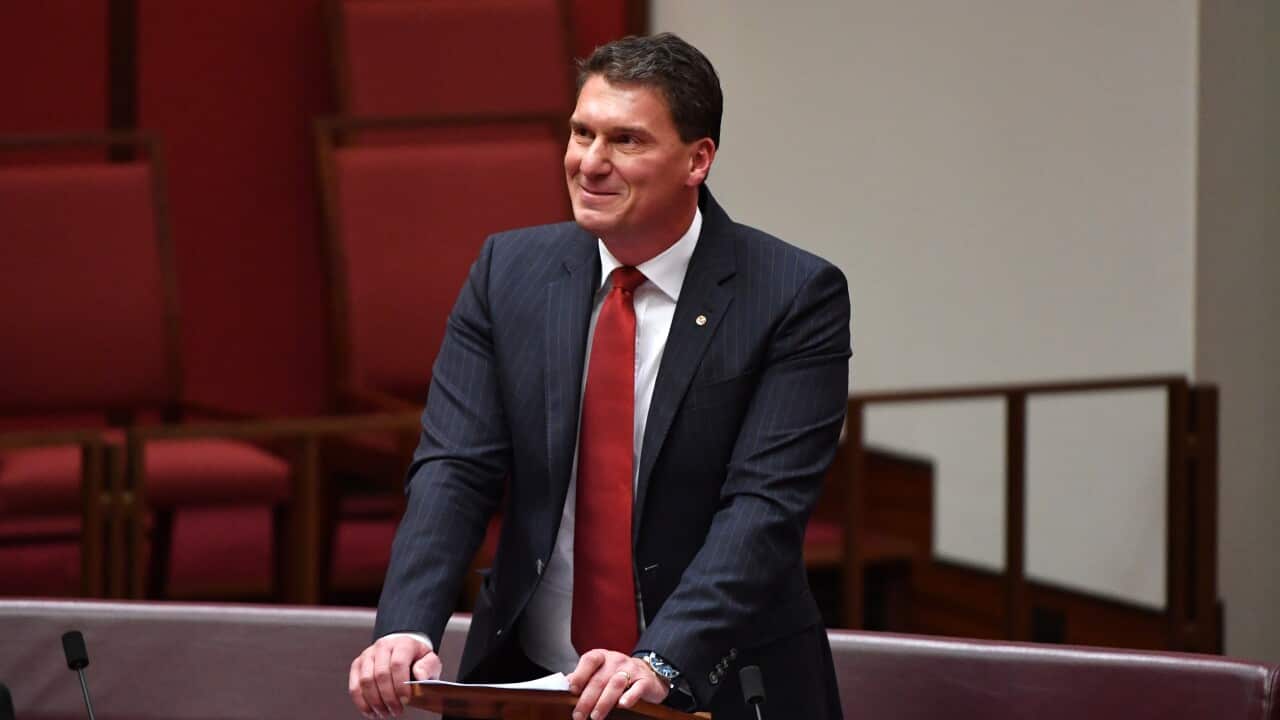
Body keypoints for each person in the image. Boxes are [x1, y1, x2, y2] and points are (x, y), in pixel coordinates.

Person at [349, 33, 849, 720]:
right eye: (581, 133)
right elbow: (455, 467)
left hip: (716, 682)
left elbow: (764, 510)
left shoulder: (792, 295)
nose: (591, 163)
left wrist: (661, 657)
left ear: (697, 159)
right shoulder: (508, 273)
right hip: (532, 680)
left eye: (627, 140)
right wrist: (408, 624)